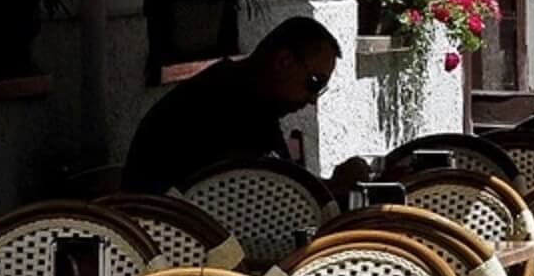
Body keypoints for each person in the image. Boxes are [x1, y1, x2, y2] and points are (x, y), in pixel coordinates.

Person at [124, 16, 370, 195]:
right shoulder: (226, 104)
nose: (312, 99)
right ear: (283, 62)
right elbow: (271, 197)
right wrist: (335, 186)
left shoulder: (245, 93)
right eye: (314, 83)